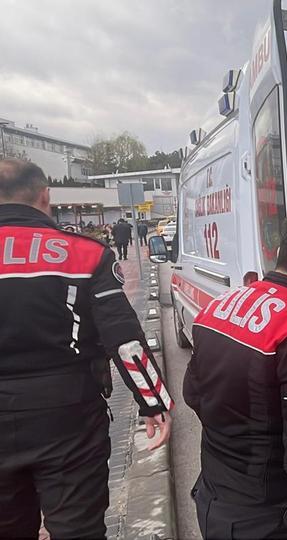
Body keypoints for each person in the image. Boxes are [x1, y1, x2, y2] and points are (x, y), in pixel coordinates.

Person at [0, 159, 173, 539]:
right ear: (45, 196)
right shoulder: (84, 253)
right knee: (78, 529)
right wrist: (153, 402)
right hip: (68, 416)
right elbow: (124, 338)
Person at [184, 210, 287, 539]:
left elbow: (193, 393)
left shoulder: (219, 306)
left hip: (213, 498)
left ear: (279, 253)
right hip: (266, 517)